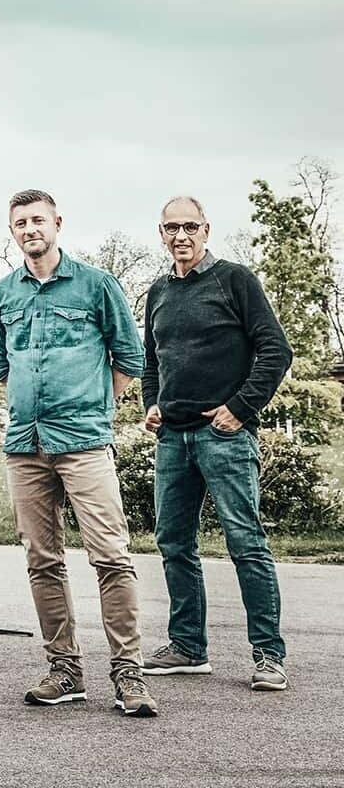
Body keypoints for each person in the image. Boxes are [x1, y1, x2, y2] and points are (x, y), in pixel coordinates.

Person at [0, 189, 157, 717]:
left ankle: (128, 673)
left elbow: (129, 358)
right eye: (20, 222)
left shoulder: (97, 285)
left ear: (57, 223)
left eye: (38, 219)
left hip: (84, 443)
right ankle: (65, 669)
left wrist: (91, 404)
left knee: (111, 556)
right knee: (42, 559)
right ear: (12, 231)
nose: (30, 229)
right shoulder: (3, 294)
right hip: (25, 445)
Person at [139, 196, 293, 691]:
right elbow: (152, 362)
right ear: (160, 234)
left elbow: (276, 349)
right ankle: (188, 647)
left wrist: (241, 408)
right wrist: (152, 403)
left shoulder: (235, 280)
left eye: (189, 226)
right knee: (173, 542)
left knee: (245, 543)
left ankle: (268, 655)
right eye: (171, 228)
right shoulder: (158, 292)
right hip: (173, 439)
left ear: (206, 229)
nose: (180, 235)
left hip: (223, 435)